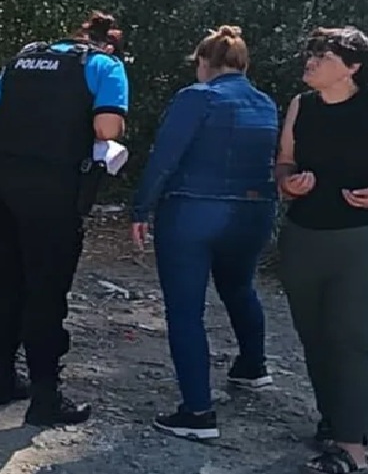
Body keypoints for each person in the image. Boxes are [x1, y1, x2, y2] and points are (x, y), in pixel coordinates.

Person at [0, 11, 129, 427]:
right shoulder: (104, 66)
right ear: (110, 45)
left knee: (4, 281)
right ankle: (45, 398)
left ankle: (1, 380)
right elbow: (107, 128)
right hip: (50, 190)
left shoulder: (22, 59)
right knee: (45, 290)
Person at [129, 26, 279, 441]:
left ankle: (197, 411)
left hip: (194, 210)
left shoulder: (196, 97)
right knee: (240, 286)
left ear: (203, 62)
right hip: (254, 211)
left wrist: (141, 208)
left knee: (185, 310)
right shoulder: (266, 103)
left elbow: (165, 156)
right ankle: (253, 365)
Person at [276, 26, 368, 474]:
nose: (311, 61)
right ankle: (339, 421)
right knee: (314, 338)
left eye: (324, 56)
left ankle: (352, 450)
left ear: (352, 67)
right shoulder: (302, 105)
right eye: (310, 53)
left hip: (358, 241)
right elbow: (285, 161)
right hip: (303, 237)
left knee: (350, 338)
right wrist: (287, 183)